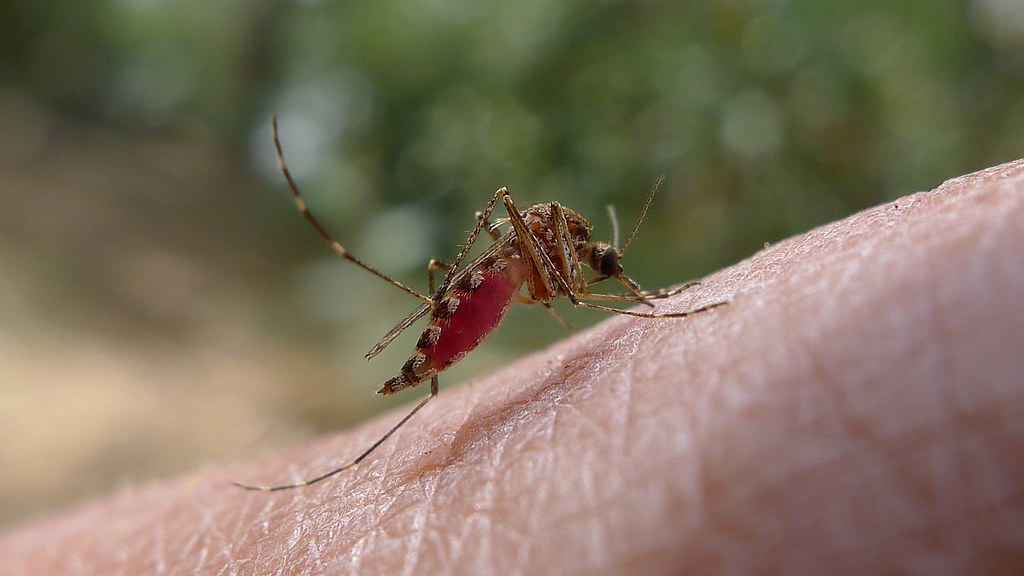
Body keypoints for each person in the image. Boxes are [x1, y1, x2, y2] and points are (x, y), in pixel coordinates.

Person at [2, 160, 1021, 575]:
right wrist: (632, 300)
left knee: (508, 232)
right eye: (610, 265)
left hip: (483, 284)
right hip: (475, 288)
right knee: (504, 227)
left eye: (609, 270)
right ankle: (384, 388)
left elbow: (548, 248)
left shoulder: (561, 259)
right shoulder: (547, 257)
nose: (605, 272)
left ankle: (414, 332)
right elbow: (522, 232)